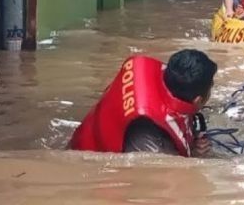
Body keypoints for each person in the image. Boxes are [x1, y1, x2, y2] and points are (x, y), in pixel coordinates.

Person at [67, 49, 217, 157]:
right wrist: (196, 155)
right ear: (198, 100)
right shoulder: (151, 143)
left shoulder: (154, 75)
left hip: (84, 136)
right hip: (87, 161)